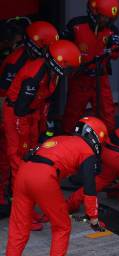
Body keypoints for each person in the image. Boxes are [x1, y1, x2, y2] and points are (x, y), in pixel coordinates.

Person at [2, 117, 107, 256]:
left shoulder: (60, 139)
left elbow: (28, 155)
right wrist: (93, 216)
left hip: (24, 173)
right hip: (44, 177)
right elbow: (89, 186)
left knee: (18, 230)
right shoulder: (87, 151)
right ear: (95, 138)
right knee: (62, 226)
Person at [2, 40, 81, 230]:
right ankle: (22, 215)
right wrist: (25, 133)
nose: (70, 73)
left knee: (30, 162)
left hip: (31, 115)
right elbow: (20, 109)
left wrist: (40, 128)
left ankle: (29, 208)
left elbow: (43, 103)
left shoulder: (52, 75)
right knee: (19, 163)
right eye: (69, 69)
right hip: (18, 116)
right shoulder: (35, 76)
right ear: (59, 64)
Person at [0, 21, 59, 218]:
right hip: (12, 114)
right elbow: (5, 94)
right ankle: (9, 200)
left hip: (27, 114)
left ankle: (17, 199)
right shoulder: (16, 62)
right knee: (10, 158)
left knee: (23, 158)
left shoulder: (42, 65)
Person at [61, 0, 119, 133]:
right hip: (79, 78)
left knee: (107, 115)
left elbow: (116, 55)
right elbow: (62, 47)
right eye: (104, 16)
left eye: (110, 18)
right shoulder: (76, 25)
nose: (107, 20)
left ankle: (108, 145)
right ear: (94, 12)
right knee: (72, 114)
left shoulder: (112, 31)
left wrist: (114, 47)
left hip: (101, 78)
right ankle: (67, 143)